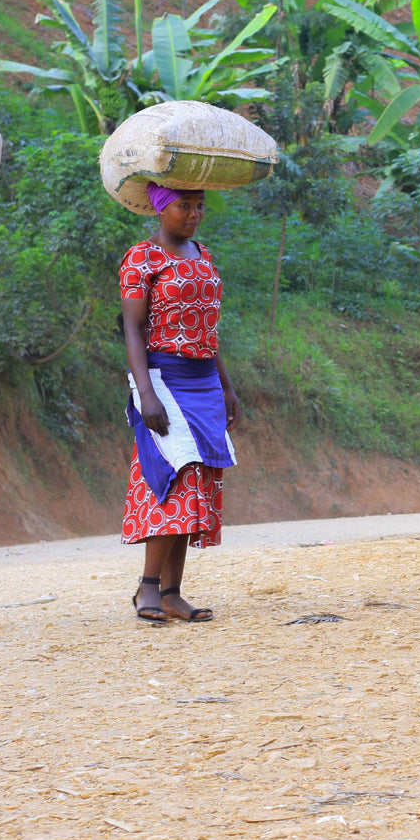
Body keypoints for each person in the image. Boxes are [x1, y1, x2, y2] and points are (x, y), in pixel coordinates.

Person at [120, 184, 238, 623]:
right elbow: (132, 328)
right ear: (160, 207)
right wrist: (144, 391)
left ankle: (172, 592)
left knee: (200, 481)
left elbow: (210, 329)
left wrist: (226, 385)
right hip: (163, 380)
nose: (193, 214)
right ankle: (147, 588)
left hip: (204, 381)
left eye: (199, 206)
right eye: (183, 206)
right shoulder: (142, 258)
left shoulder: (203, 255)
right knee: (176, 477)